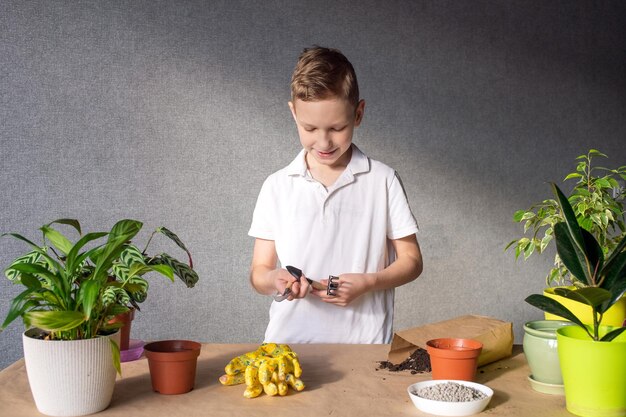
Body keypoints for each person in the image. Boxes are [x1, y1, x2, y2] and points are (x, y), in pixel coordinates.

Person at [248, 46, 423, 344]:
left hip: (365, 347)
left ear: (358, 114)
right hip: (288, 344)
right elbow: (259, 272)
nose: (324, 141)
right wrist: (273, 280)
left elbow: (412, 260)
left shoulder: (383, 180)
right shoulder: (277, 186)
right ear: (293, 113)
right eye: (310, 127)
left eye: (337, 127)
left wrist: (369, 282)